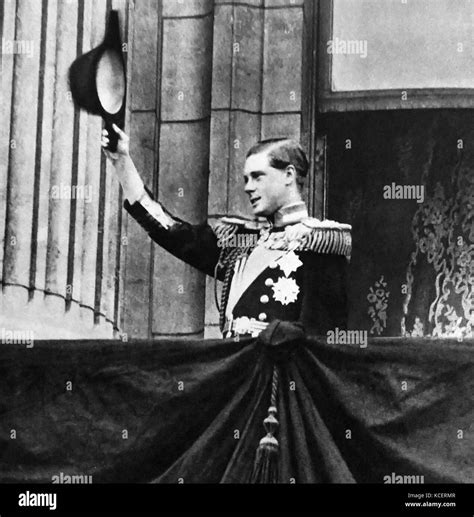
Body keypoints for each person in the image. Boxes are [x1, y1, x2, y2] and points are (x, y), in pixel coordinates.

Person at [101, 125, 351, 344]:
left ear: (289, 175)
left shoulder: (319, 242)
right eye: (246, 179)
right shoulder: (241, 242)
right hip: (236, 377)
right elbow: (173, 233)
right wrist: (122, 161)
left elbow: (324, 343)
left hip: (280, 387)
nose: (248, 187)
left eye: (257, 177)